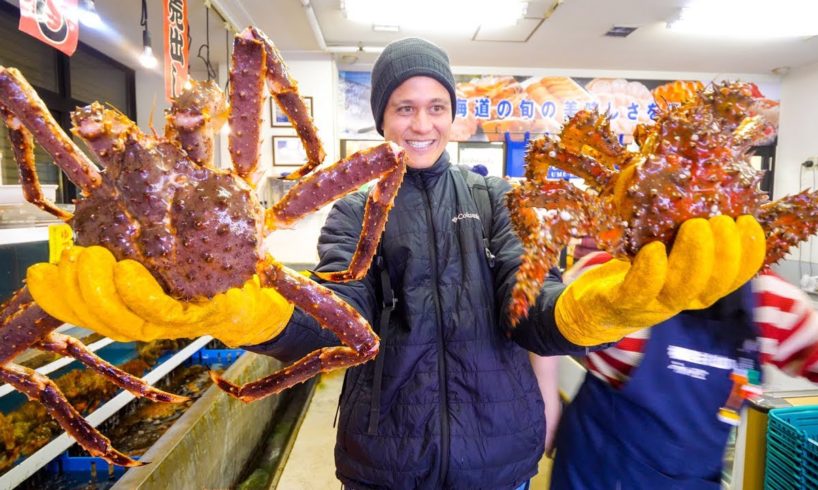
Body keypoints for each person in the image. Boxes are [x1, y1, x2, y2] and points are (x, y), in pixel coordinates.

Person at [67, 37, 765, 488]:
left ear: (457, 117)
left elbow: (533, 316)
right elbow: (342, 321)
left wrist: (606, 307)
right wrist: (246, 313)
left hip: (500, 454)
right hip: (383, 459)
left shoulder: (499, 199)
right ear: (382, 119)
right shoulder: (349, 211)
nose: (421, 123)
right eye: (405, 108)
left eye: (436, 107)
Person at [549, 241, 818, 489]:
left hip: (695, 480)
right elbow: (546, 315)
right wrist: (547, 399)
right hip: (594, 474)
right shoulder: (611, 276)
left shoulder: (771, 301)